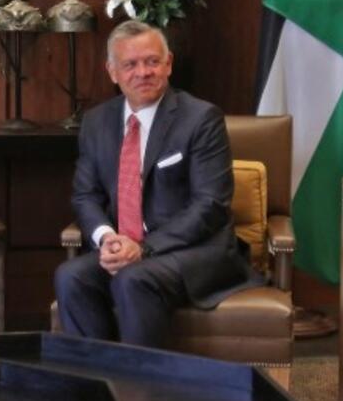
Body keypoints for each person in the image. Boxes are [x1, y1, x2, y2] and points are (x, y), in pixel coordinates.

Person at [54, 20, 260, 347]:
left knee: (134, 279)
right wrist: (107, 238)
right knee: (70, 276)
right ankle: (95, 385)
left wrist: (145, 248)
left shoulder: (201, 119)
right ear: (112, 71)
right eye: (130, 64)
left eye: (152, 61)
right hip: (128, 246)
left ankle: (141, 392)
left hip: (193, 250)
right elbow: (85, 196)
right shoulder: (96, 122)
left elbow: (210, 205)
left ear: (168, 64)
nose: (143, 72)